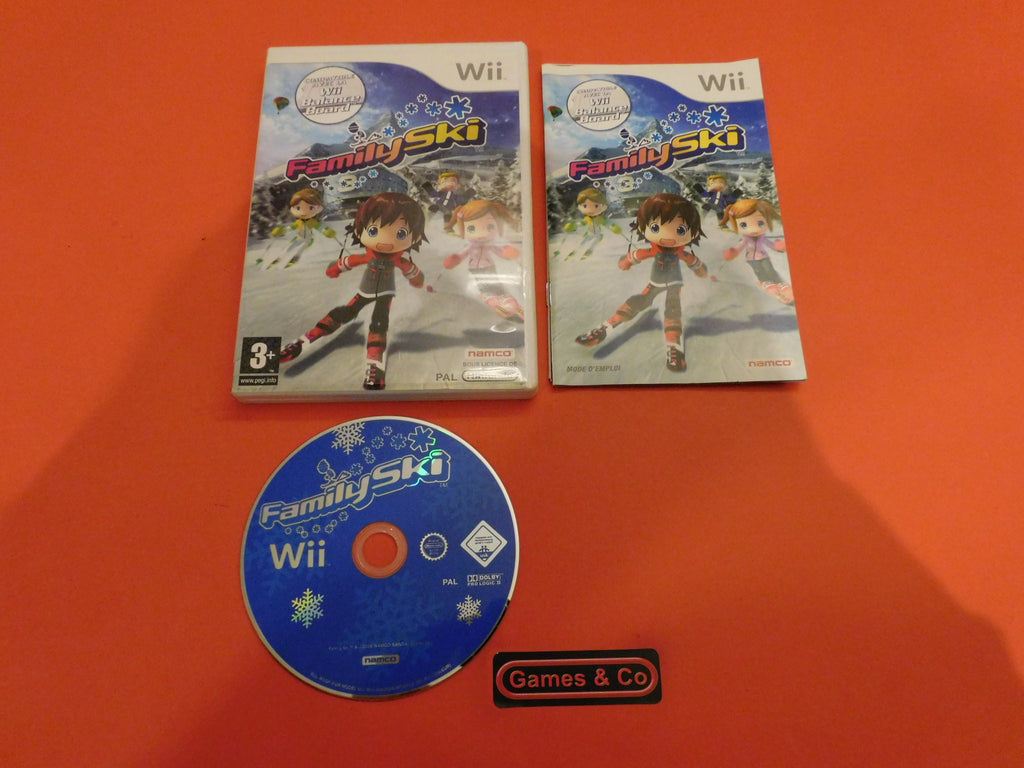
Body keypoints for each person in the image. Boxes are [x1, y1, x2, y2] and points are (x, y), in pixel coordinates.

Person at [279, 192, 427, 390]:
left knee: (379, 323)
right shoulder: (371, 256)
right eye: (373, 231)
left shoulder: (399, 260)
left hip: (385, 294)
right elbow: (352, 260)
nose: (384, 242)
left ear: (416, 236)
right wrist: (336, 267)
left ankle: (374, 362)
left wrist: (416, 278)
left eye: (401, 234)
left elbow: (410, 270)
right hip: (365, 291)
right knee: (346, 312)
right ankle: (309, 336)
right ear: (360, 228)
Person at [575, 193, 708, 372]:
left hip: (674, 284)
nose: (667, 238)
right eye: (655, 227)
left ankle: (674, 347)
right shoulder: (655, 250)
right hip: (655, 282)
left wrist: (700, 269)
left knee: (672, 310)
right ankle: (606, 326)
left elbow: (692, 260)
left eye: (681, 230)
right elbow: (640, 254)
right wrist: (627, 261)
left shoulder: (680, 252)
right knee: (638, 301)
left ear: (694, 231)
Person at [443, 199, 524, 322]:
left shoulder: (489, 244)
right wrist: (455, 259)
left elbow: (498, 250)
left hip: (489, 267)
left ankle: (511, 304)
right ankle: (495, 302)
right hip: (476, 270)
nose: (481, 234)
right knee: (485, 288)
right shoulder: (470, 246)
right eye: (471, 229)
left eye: (490, 227)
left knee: (497, 286)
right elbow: (463, 254)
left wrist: (507, 252)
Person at [720, 198, 793, 305]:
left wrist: (778, 246)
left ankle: (779, 282)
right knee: (759, 271)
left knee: (769, 269)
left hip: (763, 256)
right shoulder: (745, 239)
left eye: (760, 223)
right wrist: (733, 252)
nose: (753, 229)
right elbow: (739, 247)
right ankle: (766, 282)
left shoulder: (762, 237)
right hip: (751, 259)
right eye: (744, 225)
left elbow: (770, 244)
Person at [259, 188, 336, 269]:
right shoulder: (299, 222)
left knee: (302, 248)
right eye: (298, 208)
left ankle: (296, 257)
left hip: (308, 240)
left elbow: (320, 228)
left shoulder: (312, 222)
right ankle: (279, 258)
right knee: (288, 248)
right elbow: (290, 228)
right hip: (298, 238)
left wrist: (327, 231)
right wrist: (281, 231)